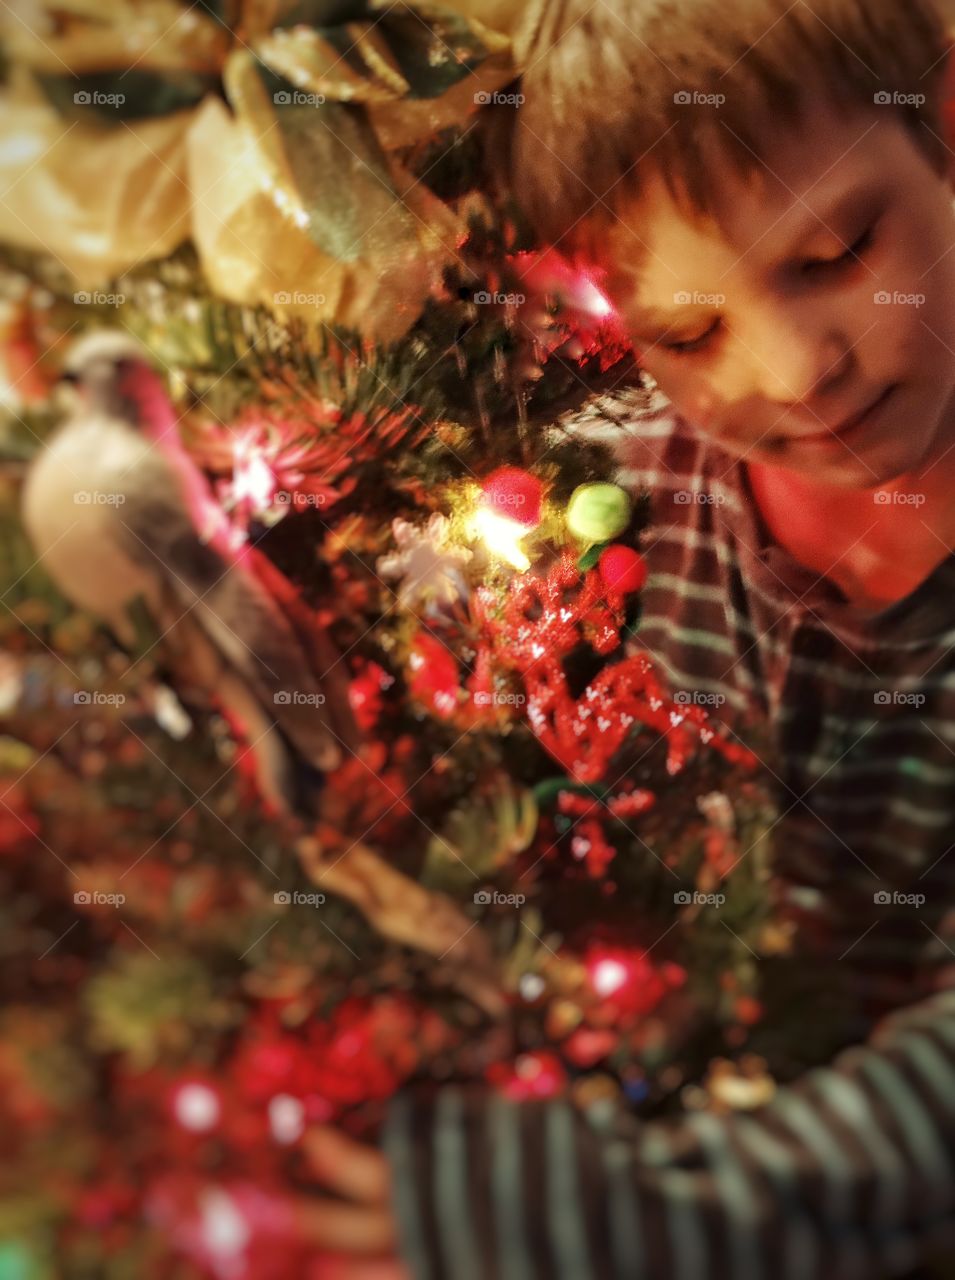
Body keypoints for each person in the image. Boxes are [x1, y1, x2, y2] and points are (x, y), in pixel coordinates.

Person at [298, 1, 955, 1275]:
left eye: (835, 251)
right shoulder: (593, 520)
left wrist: (639, 1213)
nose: (795, 369)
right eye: (689, 333)